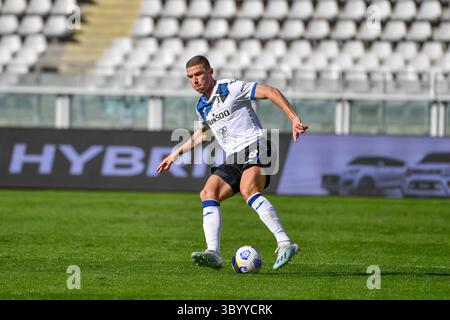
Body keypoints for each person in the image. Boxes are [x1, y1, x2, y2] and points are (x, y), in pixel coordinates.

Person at [157, 55, 308, 270]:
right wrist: (174, 155)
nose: (195, 80)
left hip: (256, 144)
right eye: (190, 77)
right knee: (208, 193)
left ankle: (285, 243)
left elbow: (270, 91)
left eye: (199, 74)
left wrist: (293, 118)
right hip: (234, 156)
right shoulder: (201, 105)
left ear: (211, 72)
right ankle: (213, 253)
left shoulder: (230, 87)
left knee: (248, 189)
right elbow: (201, 135)